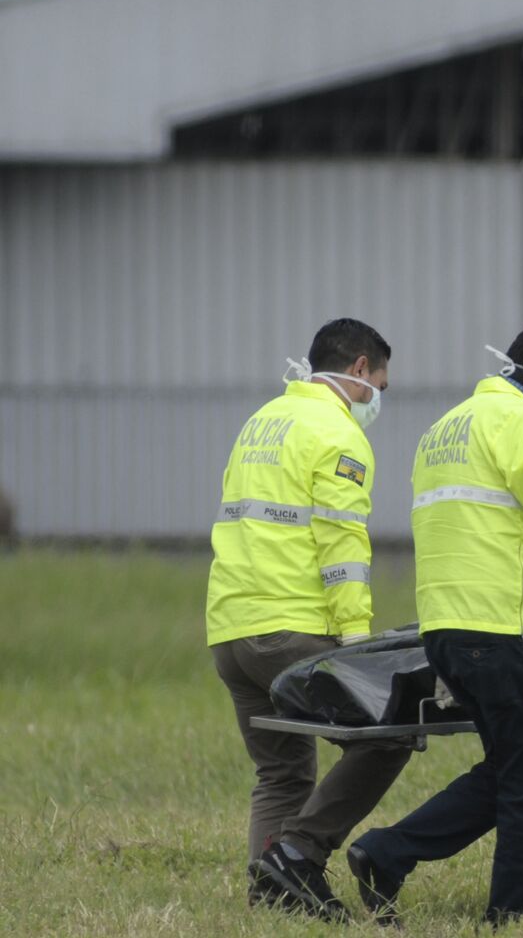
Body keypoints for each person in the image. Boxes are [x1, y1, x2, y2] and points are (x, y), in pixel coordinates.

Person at [346, 318, 523, 926]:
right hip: (505, 630)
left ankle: (387, 853)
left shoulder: (446, 428)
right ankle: (510, 916)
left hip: (448, 630)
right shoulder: (521, 421)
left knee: (514, 767)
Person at [207, 318, 413, 921]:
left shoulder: (262, 421)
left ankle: (271, 902)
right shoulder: (338, 433)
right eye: (380, 383)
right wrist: (356, 645)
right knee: (390, 732)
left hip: (231, 630)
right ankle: (299, 855)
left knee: (281, 771)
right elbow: (343, 547)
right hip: (290, 629)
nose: (379, 396)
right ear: (357, 371)